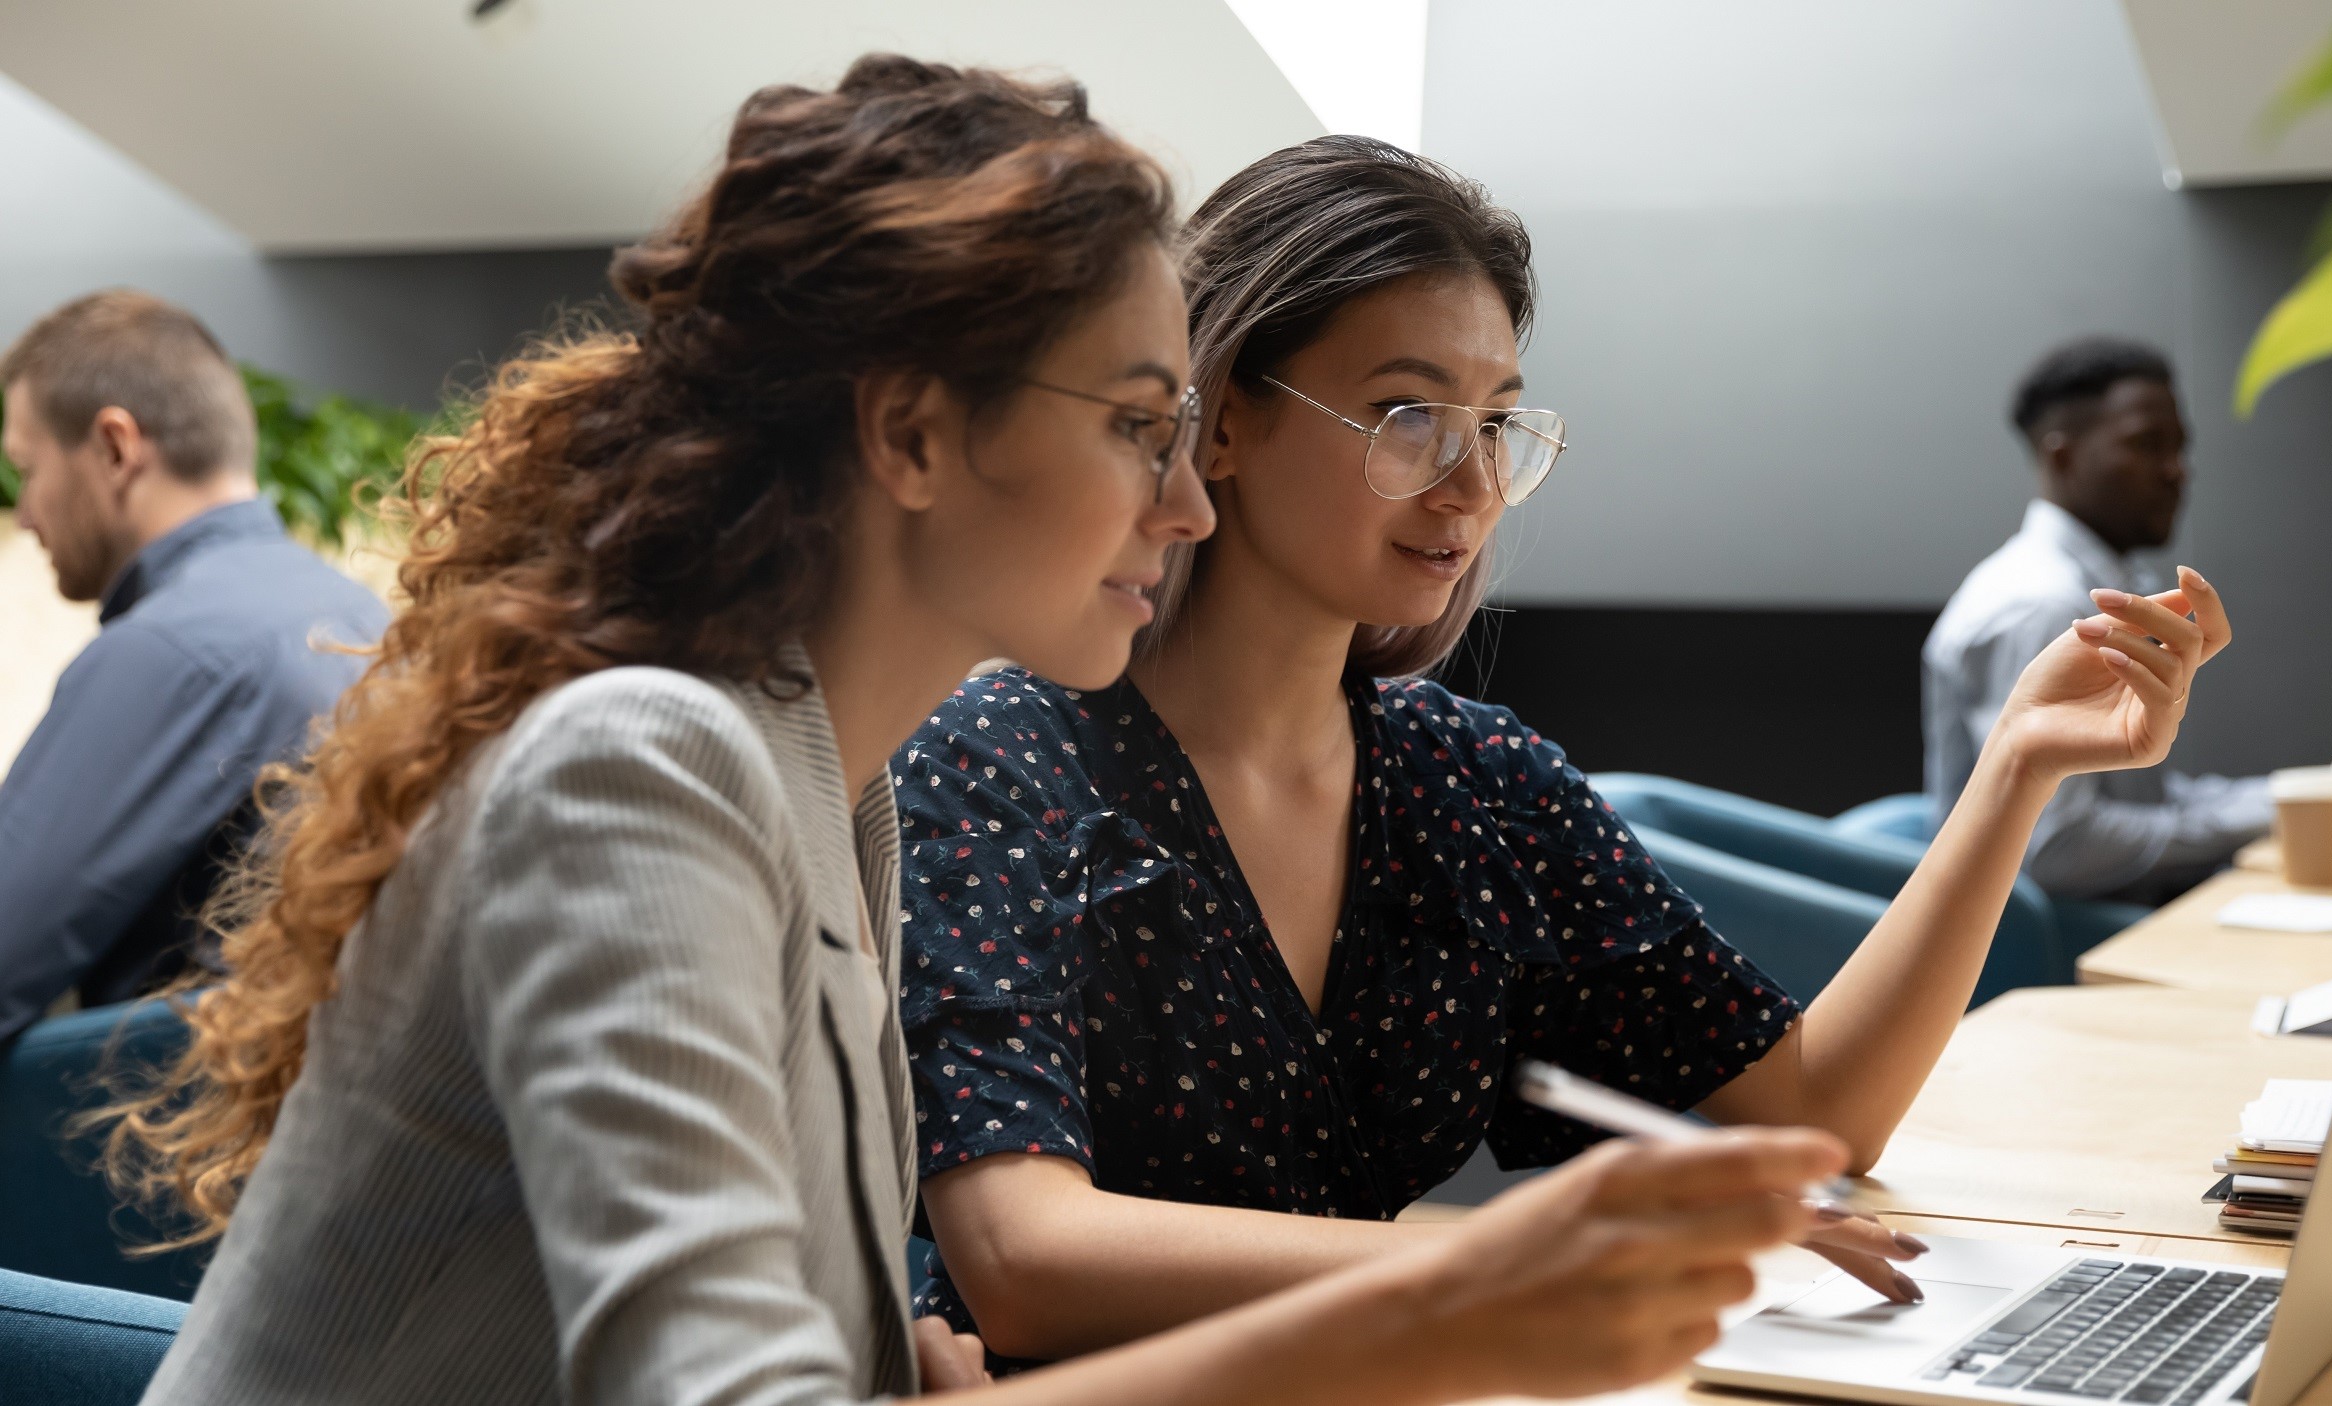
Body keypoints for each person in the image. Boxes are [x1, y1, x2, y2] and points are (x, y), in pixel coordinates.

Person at [101, 60, 1852, 1406]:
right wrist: (1442, 1297)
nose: (1182, 507)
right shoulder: (641, 768)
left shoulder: (825, 777)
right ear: (917, 439)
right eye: (1137, 427)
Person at [892, 138, 2237, 1365]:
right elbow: (1023, 1260)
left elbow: (1809, 1115)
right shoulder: (1003, 756)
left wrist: (2018, 770)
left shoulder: (1469, 780)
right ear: (1224, 416)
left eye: (1496, 424)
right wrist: (1510, 1258)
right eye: (1409, 415)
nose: (1471, 484)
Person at [0, 291, 387, 1046]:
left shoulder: (179, 649)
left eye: (29, 470)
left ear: (115, 447)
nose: (25, 515)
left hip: (165, 1141)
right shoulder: (364, 620)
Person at [1923, 337, 2332, 904]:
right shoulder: (2042, 607)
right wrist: (2276, 813)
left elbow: (2135, 800)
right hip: (2061, 937)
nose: (2177, 470)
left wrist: (2303, 795)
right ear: (2064, 457)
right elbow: (2057, 847)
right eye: (2147, 445)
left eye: (2180, 447)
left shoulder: (2098, 586)